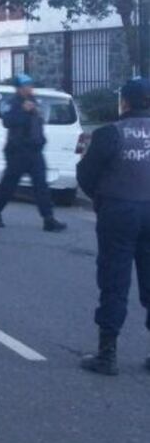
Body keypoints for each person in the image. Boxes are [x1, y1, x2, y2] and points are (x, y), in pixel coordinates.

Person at [76, 78, 150, 376]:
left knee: (114, 281)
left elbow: (86, 174)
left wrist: (101, 198)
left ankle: (107, 354)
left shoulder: (110, 133)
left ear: (125, 103)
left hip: (118, 211)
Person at [0, 74, 67, 232]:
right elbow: (7, 121)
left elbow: (38, 123)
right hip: (17, 151)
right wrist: (24, 111)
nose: (30, 88)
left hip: (34, 151)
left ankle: (48, 219)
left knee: (41, 186)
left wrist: (41, 140)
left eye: (30, 85)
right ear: (19, 88)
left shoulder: (34, 101)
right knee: (9, 185)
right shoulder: (13, 103)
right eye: (26, 86)